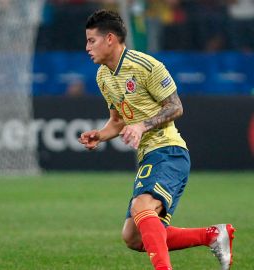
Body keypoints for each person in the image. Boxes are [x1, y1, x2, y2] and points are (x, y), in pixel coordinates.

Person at [78, 10, 235, 270]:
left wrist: (143, 125)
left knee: (142, 206)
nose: (87, 47)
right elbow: (117, 121)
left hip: (168, 150)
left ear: (109, 39)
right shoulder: (103, 77)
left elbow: (176, 107)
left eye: (91, 41)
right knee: (133, 237)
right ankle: (213, 236)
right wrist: (100, 134)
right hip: (149, 155)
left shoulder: (145, 66)